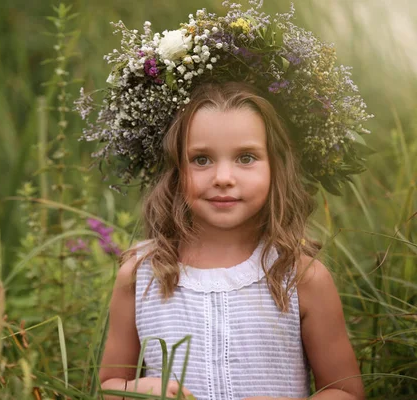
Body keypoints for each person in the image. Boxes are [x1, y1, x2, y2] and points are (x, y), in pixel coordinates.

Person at [77, 3, 372, 399]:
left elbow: (346, 391)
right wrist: (141, 390)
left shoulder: (301, 277)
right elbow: (110, 384)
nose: (223, 177)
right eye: (201, 159)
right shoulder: (141, 275)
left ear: (275, 166)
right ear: (176, 170)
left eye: (246, 157)